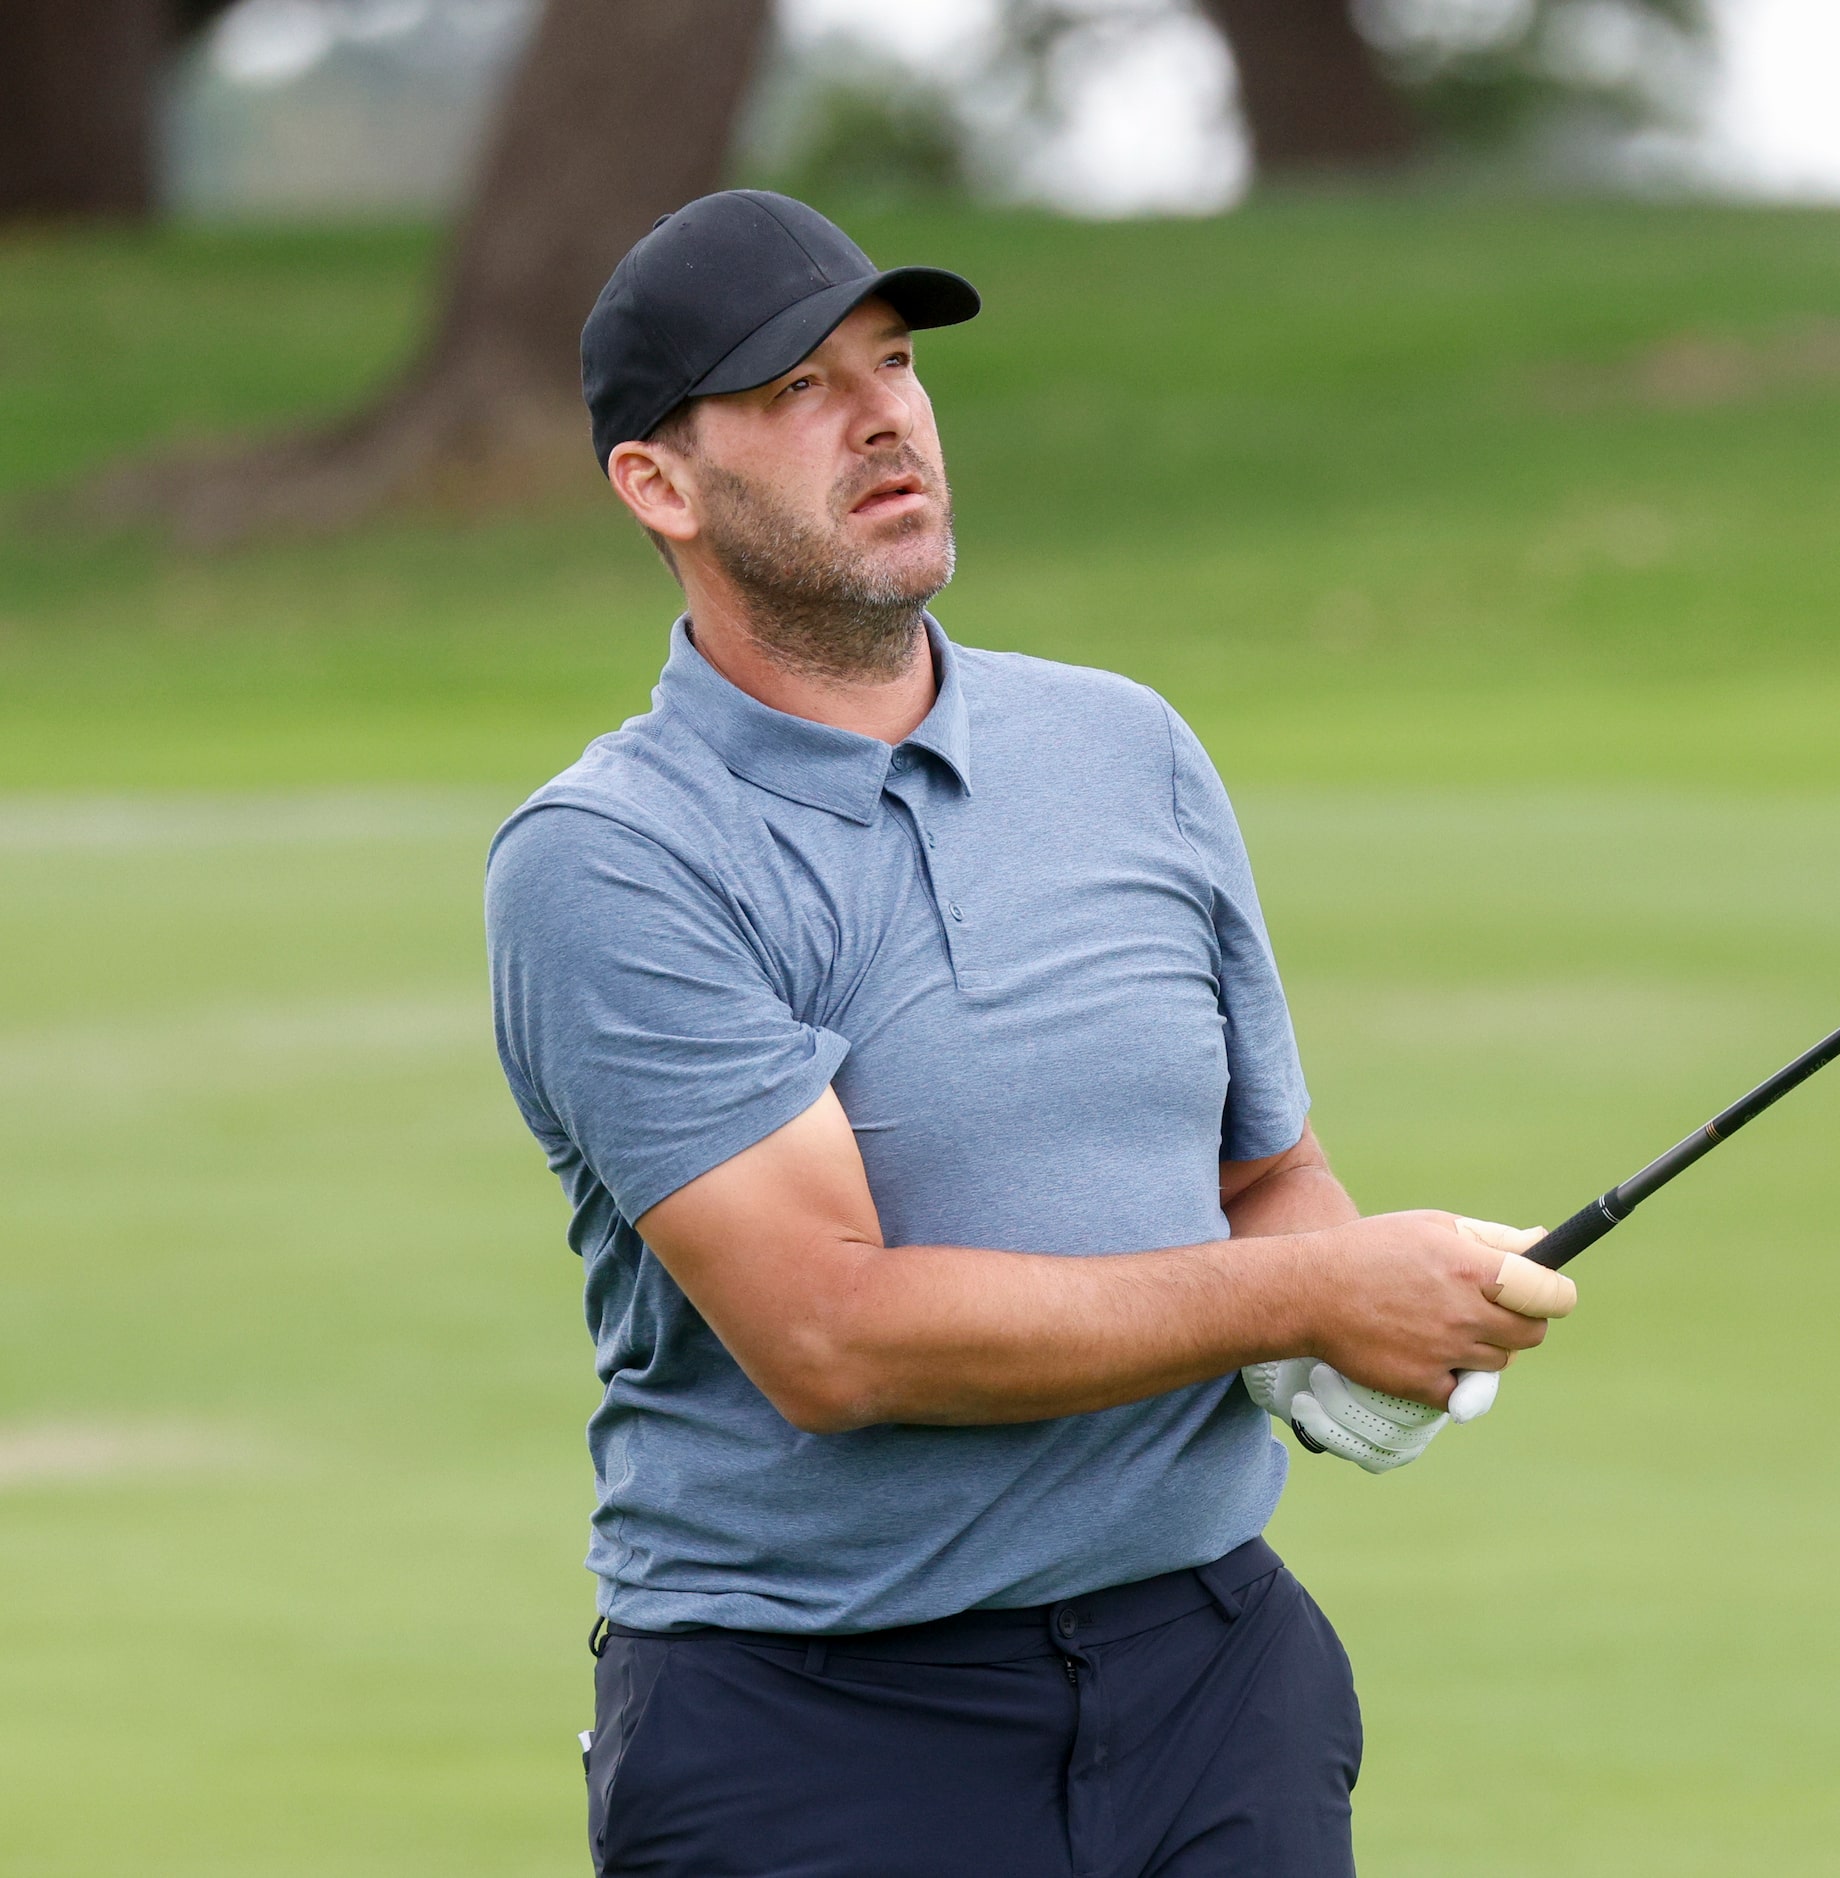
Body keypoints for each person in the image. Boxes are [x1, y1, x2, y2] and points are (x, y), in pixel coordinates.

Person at [482, 190, 1577, 1877]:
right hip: (816, 1732)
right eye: (794, 389)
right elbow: (834, 1337)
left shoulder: (1126, 746)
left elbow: (1268, 1166)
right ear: (658, 482)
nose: (884, 416)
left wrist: (1346, 1331)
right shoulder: (612, 856)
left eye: (896, 363)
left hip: (1214, 1682)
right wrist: (1306, 1294)